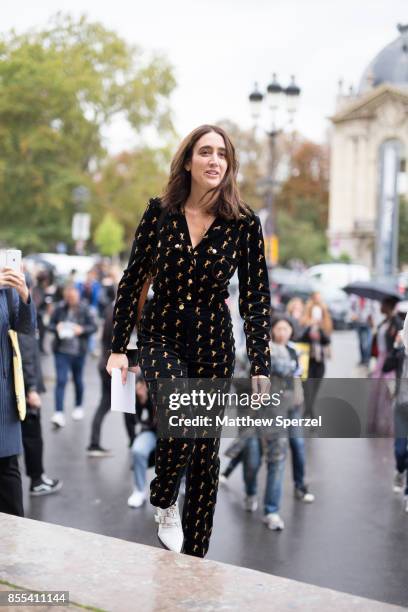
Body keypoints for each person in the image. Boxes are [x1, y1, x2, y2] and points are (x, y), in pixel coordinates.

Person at [107, 124, 271, 558]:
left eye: (222, 154)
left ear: (229, 165)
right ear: (188, 161)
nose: (215, 160)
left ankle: (195, 557)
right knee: (181, 425)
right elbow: (133, 280)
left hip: (214, 345)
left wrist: (259, 364)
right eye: (206, 152)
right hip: (161, 335)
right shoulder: (159, 212)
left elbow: (256, 299)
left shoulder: (245, 223)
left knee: (205, 455)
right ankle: (163, 497)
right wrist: (118, 347)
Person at [0, 265, 36, 516]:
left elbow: (26, 328)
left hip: (4, 398)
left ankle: (14, 544)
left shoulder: (7, 291)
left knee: (9, 473)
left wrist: (24, 295)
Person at [19, 329, 62, 495]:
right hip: (24, 389)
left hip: (22, 387)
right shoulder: (21, 308)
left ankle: (38, 478)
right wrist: (31, 388)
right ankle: (37, 480)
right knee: (32, 437)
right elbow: (26, 353)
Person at [48, 284, 97, 427]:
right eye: (68, 298)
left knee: (78, 380)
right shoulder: (59, 308)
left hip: (78, 352)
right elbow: (50, 325)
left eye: (73, 298)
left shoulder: (85, 309)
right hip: (61, 351)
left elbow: (93, 327)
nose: (71, 300)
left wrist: (81, 329)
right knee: (61, 381)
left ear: (78, 296)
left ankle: (78, 406)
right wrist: (56, 328)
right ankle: (58, 412)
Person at [368, 297, 402, 436]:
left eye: (383, 303)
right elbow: (378, 340)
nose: (380, 306)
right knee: (378, 393)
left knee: (388, 393)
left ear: (389, 305)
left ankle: (389, 426)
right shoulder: (385, 322)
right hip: (381, 360)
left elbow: (398, 344)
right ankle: (379, 424)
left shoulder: (396, 322)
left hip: (389, 362)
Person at [127, 377, 157, 508]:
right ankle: (139, 490)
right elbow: (132, 419)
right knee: (138, 450)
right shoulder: (141, 389)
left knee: (184, 450)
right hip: (153, 431)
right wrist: (142, 399)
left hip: (174, 431)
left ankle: (183, 481)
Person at [301, 292, 332, 419]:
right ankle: (310, 416)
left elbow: (327, 341)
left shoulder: (324, 325)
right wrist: (309, 327)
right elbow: (300, 338)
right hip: (306, 361)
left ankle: (308, 414)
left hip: (319, 362)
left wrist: (319, 328)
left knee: (314, 391)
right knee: (307, 390)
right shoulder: (305, 325)